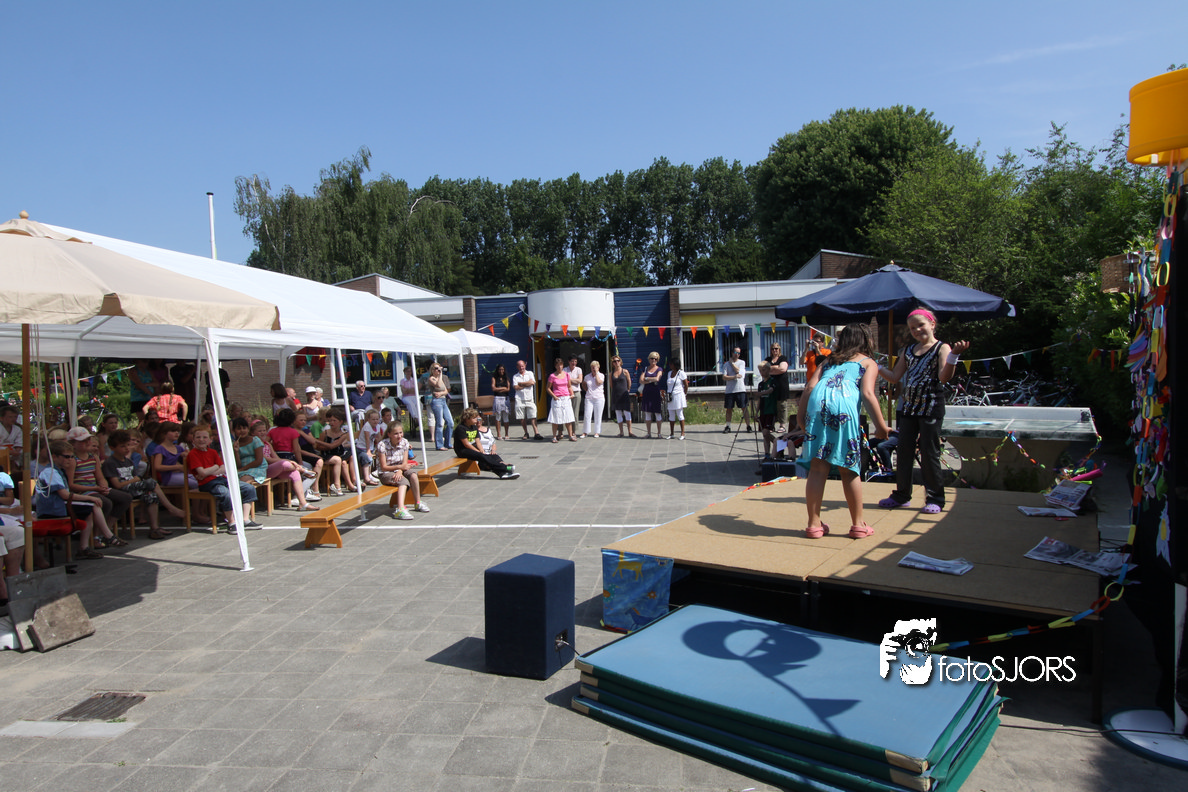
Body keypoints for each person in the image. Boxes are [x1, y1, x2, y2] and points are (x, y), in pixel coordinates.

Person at [796, 323, 890, 539]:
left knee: (817, 469)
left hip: (817, 408)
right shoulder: (868, 362)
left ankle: (813, 525)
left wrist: (801, 418)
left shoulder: (828, 361)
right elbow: (868, 393)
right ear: (867, 340)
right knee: (849, 470)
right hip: (843, 411)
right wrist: (881, 426)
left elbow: (809, 387)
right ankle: (858, 525)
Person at [876, 309, 969, 514]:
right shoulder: (908, 350)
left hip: (931, 408)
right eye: (912, 328)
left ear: (932, 324)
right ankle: (901, 495)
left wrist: (953, 356)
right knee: (903, 452)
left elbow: (944, 377)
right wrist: (875, 366)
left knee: (929, 453)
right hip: (909, 409)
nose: (917, 330)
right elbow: (894, 377)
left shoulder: (941, 348)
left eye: (921, 325)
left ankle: (935, 498)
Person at [106, 429, 191, 538]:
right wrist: (134, 480)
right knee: (151, 482)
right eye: (122, 446)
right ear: (113, 448)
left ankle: (154, 528)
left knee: (152, 495)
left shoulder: (128, 461)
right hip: (122, 491)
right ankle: (171, 508)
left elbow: (136, 477)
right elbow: (117, 485)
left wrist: (136, 479)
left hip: (133, 488)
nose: (127, 448)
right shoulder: (110, 463)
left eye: (127, 445)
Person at [36, 440, 103, 559]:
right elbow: (65, 495)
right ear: (54, 457)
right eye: (67, 457)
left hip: (60, 505)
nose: (70, 460)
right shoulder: (50, 472)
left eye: (72, 457)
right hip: (52, 509)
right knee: (92, 505)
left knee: (90, 508)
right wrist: (89, 497)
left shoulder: (59, 471)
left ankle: (85, 547)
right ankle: (105, 537)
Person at [186, 427, 258, 534]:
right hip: (207, 483)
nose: (201, 440)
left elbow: (223, 468)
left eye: (204, 437)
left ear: (210, 440)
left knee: (249, 488)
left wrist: (209, 471)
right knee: (226, 493)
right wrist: (215, 467)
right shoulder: (193, 454)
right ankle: (232, 522)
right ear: (193, 440)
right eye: (198, 437)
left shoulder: (212, 452)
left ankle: (245, 519)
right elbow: (202, 473)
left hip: (221, 479)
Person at [67, 426, 130, 542]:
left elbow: (100, 477)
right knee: (105, 503)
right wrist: (95, 488)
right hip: (82, 491)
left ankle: (105, 530)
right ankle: (96, 537)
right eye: (83, 441)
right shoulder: (73, 460)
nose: (87, 442)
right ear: (73, 444)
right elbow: (71, 485)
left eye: (88, 439)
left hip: (95, 488)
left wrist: (103, 486)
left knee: (125, 498)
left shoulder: (93, 457)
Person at [250, 420, 318, 510]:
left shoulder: (267, 444)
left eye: (264, 430)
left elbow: (275, 457)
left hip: (273, 469)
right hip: (262, 470)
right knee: (284, 463)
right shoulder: (253, 443)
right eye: (259, 431)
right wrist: (287, 461)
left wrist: (289, 462)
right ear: (253, 433)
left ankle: (302, 503)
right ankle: (302, 469)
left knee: (294, 472)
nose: (262, 433)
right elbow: (267, 459)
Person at [376, 422, 428, 520]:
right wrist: (399, 468)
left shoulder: (404, 442)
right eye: (396, 434)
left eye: (401, 433)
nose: (399, 436)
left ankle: (418, 502)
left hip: (400, 469)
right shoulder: (382, 445)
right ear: (389, 434)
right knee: (403, 481)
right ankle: (400, 509)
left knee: (413, 475)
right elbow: (383, 467)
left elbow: (404, 463)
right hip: (386, 473)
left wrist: (399, 470)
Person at [453, 407, 519, 478]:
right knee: (482, 457)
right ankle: (505, 468)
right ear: (467, 419)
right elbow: (466, 444)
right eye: (474, 418)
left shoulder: (474, 427)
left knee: (489, 456)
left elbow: (478, 441)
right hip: (463, 451)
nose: (476, 420)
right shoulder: (461, 428)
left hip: (472, 449)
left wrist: (482, 450)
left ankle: (502, 474)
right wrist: (478, 452)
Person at [318, 407, 359, 494]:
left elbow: (334, 445)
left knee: (349, 458)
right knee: (341, 461)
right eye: (330, 421)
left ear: (340, 422)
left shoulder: (343, 434)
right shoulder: (325, 432)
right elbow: (317, 446)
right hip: (328, 455)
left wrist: (327, 445)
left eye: (334, 420)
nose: (332, 423)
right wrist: (325, 447)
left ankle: (353, 481)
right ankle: (341, 485)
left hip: (338, 453)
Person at [547, 357, 577, 442]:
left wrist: (572, 394)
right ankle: (554, 436)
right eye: (557, 365)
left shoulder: (566, 375)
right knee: (556, 418)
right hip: (557, 398)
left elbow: (569, 386)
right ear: (555, 366)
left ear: (563, 365)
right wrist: (554, 396)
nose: (559, 367)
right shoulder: (552, 376)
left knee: (568, 417)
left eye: (561, 365)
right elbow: (548, 388)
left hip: (566, 398)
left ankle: (570, 435)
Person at [722, 347, 751, 433]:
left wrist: (732, 363)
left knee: (744, 408)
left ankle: (748, 426)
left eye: (739, 353)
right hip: (730, 390)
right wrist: (734, 377)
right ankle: (728, 426)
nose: (737, 354)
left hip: (740, 389)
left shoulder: (742, 362)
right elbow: (724, 377)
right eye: (735, 352)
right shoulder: (726, 364)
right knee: (729, 409)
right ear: (732, 353)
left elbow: (739, 372)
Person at [764, 342, 791, 433]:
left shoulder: (783, 358)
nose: (774, 350)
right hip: (771, 385)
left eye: (776, 348)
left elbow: (782, 369)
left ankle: (782, 425)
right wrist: (777, 368)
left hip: (781, 385)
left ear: (779, 349)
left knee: (782, 406)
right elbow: (764, 370)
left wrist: (771, 369)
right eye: (773, 349)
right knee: (772, 406)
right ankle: (771, 425)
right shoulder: (767, 359)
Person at [427, 364, 454, 451]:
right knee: (439, 423)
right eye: (436, 368)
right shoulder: (431, 379)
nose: (438, 370)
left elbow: (446, 390)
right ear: (432, 370)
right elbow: (438, 385)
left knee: (450, 422)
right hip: (437, 402)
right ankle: (439, 445)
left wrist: (441, 393)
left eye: (439, 368)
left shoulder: (441, 378)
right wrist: (440, 374)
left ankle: (447, 443)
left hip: (443, 400)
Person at [512, 359, 542, 440]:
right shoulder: (515, 376)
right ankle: (526, 432)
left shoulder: (530, 373)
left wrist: (521, 384)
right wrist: (526, 384)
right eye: (520, 366)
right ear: (517, 367)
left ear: (525, 365)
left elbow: (532, 382)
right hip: (519, 399)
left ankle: (536, 433)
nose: (521, 368)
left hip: (529, 398)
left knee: (533, 415)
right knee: (521, 417)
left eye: (522, 366)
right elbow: (516, 387)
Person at [756, 362, 778, 459]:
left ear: (769, 370)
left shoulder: (773, 381)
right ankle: (767, 454)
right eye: (760, 370)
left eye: (764, 370)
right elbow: (759, 399)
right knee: (765, 435)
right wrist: (756, 412)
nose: (762, 372)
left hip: (770, 410)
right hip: (763, 411)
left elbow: (771, 390)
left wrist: (762, 393)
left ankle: (779, 444)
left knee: (766, 432)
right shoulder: (760, 384)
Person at [639, 352, 664, 438]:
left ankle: (659, 433)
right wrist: (651, 380)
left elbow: (657, 379)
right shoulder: (645, 368)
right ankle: (648, 433)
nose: (654, 360)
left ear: (657, 360)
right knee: (647, 413)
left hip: (655, 393)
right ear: (649, 359)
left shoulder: (659, 369)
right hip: (647, 393)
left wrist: (646, 378)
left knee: (657, 413)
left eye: (655, 359)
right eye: (652, 358)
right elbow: (641, 380)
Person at [664, 358, 689, 440]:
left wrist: (684, 394)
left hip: (679, 396)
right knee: (671, 414)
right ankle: (672, 433)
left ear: (675, 365)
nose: (670, 365)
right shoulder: (669, 373)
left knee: (679, 414)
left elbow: (686, 385)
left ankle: (682, 433)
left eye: (671, 364)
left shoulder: (681, 373)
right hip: (670, 396)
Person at [609, 356, 634, 437]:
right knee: (618, 413)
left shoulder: (625, 371)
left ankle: (630, 431)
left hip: (624, 394)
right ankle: (621, 432)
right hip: (616, 395)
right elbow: (611, 385)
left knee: (627, 413)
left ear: (620, 362)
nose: (616, 362)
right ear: (612, 363)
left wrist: (628, 389)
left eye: (618, 361)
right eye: (614, 361)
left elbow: (629, 381)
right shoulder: (611, 373)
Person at [581, 360, 605, 438]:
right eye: (592, 368)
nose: (594, 369)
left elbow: (598, 382)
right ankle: (585, 431)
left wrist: (596, 374)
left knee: (598, 415)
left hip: (599, 398)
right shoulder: (587, 377)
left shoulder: (601, 375)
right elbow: (583, 384)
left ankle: (597, 432)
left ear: (598, 368)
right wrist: (586, 390)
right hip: (589, 398)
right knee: (587, 415)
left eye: (595, 367)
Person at [491, 364, 512, 440]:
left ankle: (506, 434)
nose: (501, 371)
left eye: (502, 369)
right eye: (499, 369)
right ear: (497, 370)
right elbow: (493, 388)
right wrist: (503, 388)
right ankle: (499, 434)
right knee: (498, 416)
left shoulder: (507, 378)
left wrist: (499, 388)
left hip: (505, 398)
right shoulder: (494, 378)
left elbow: (508, 389)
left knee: (506, 417)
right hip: (497, 398)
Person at [399, 366, 421, 431]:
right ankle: (416, 418)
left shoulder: (414, 380)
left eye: (410, 371)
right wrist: (412, 389)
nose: (409, 373)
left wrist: (408, 390)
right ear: (404, 372)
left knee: (419, 404)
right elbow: (403, 391)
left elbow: (416, 390)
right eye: (407, 371)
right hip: (406, 397)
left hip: (414, 396)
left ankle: (418, 419)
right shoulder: (402, 381)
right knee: (410, 403)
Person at [565, 355, 583, 421]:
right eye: (572, 361)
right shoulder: (565, 370)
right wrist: (575, 380)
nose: (574, 363)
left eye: (575, 361)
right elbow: (564, 381)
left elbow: (580, 380)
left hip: (576, 392)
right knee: (567, 413)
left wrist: (569, 379)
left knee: (575, 413)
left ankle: (574, 428)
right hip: (567, 393)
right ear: (569, 361)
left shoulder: (578, 369)